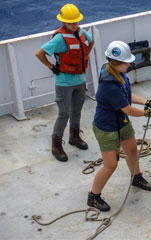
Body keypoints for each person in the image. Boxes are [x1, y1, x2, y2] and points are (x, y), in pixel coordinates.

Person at [87, 41, 151, 211]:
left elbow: (127, 95)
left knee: (132, 150)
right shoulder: (109, 86)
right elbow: (127, 108)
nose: (129, 64)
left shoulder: (118, 74)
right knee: (110, 165)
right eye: (126, 62)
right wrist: (146, 113)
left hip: (121, 123)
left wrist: (146, 102)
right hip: (107, 127)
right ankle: (93, 196)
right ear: (116, 63)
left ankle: (136, 177)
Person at [35, 3, 94, 162]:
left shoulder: (81, 32)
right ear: (63, 22)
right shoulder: (59, 38)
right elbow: (39, 53)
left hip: (79, 80)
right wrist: (51, 66)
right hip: (64, 84)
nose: (74, 25)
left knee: (77, 110)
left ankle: (74, 137)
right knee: (64, 114)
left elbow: (91, 41)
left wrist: (85, 55)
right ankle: (56, 145)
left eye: (76, 22)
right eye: (71, 23)